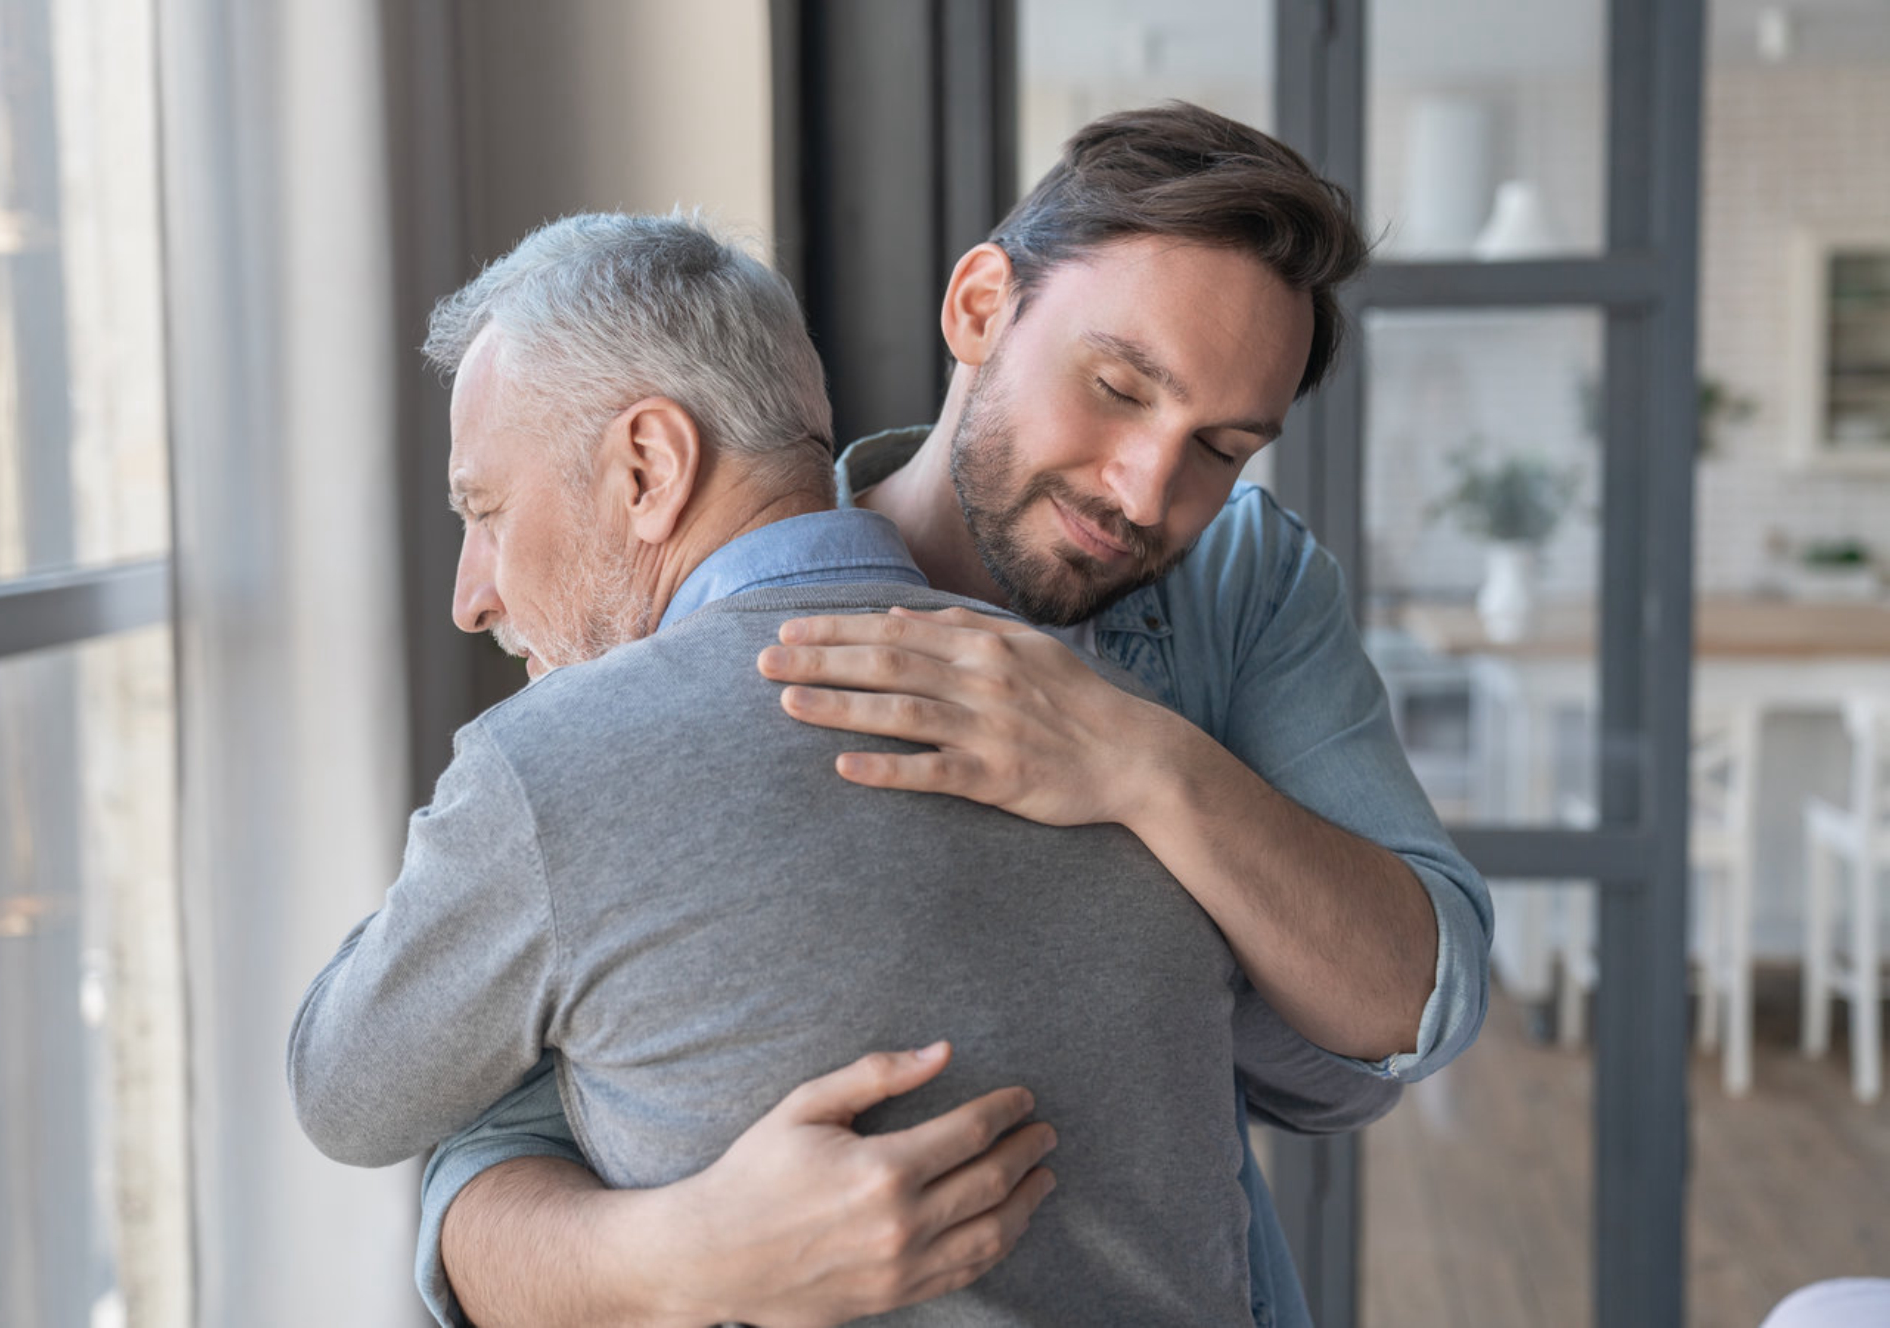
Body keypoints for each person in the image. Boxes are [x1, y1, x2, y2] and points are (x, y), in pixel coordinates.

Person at [426, 105, 1494, 1328]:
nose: (1147, 486)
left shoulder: (1240, 584)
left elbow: (1411, 1001)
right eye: (1117, 387)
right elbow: (483, 1156)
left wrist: (1138, 761)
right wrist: (682, 1253)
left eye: (1220, 445)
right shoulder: (680, 627)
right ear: (980, 307)